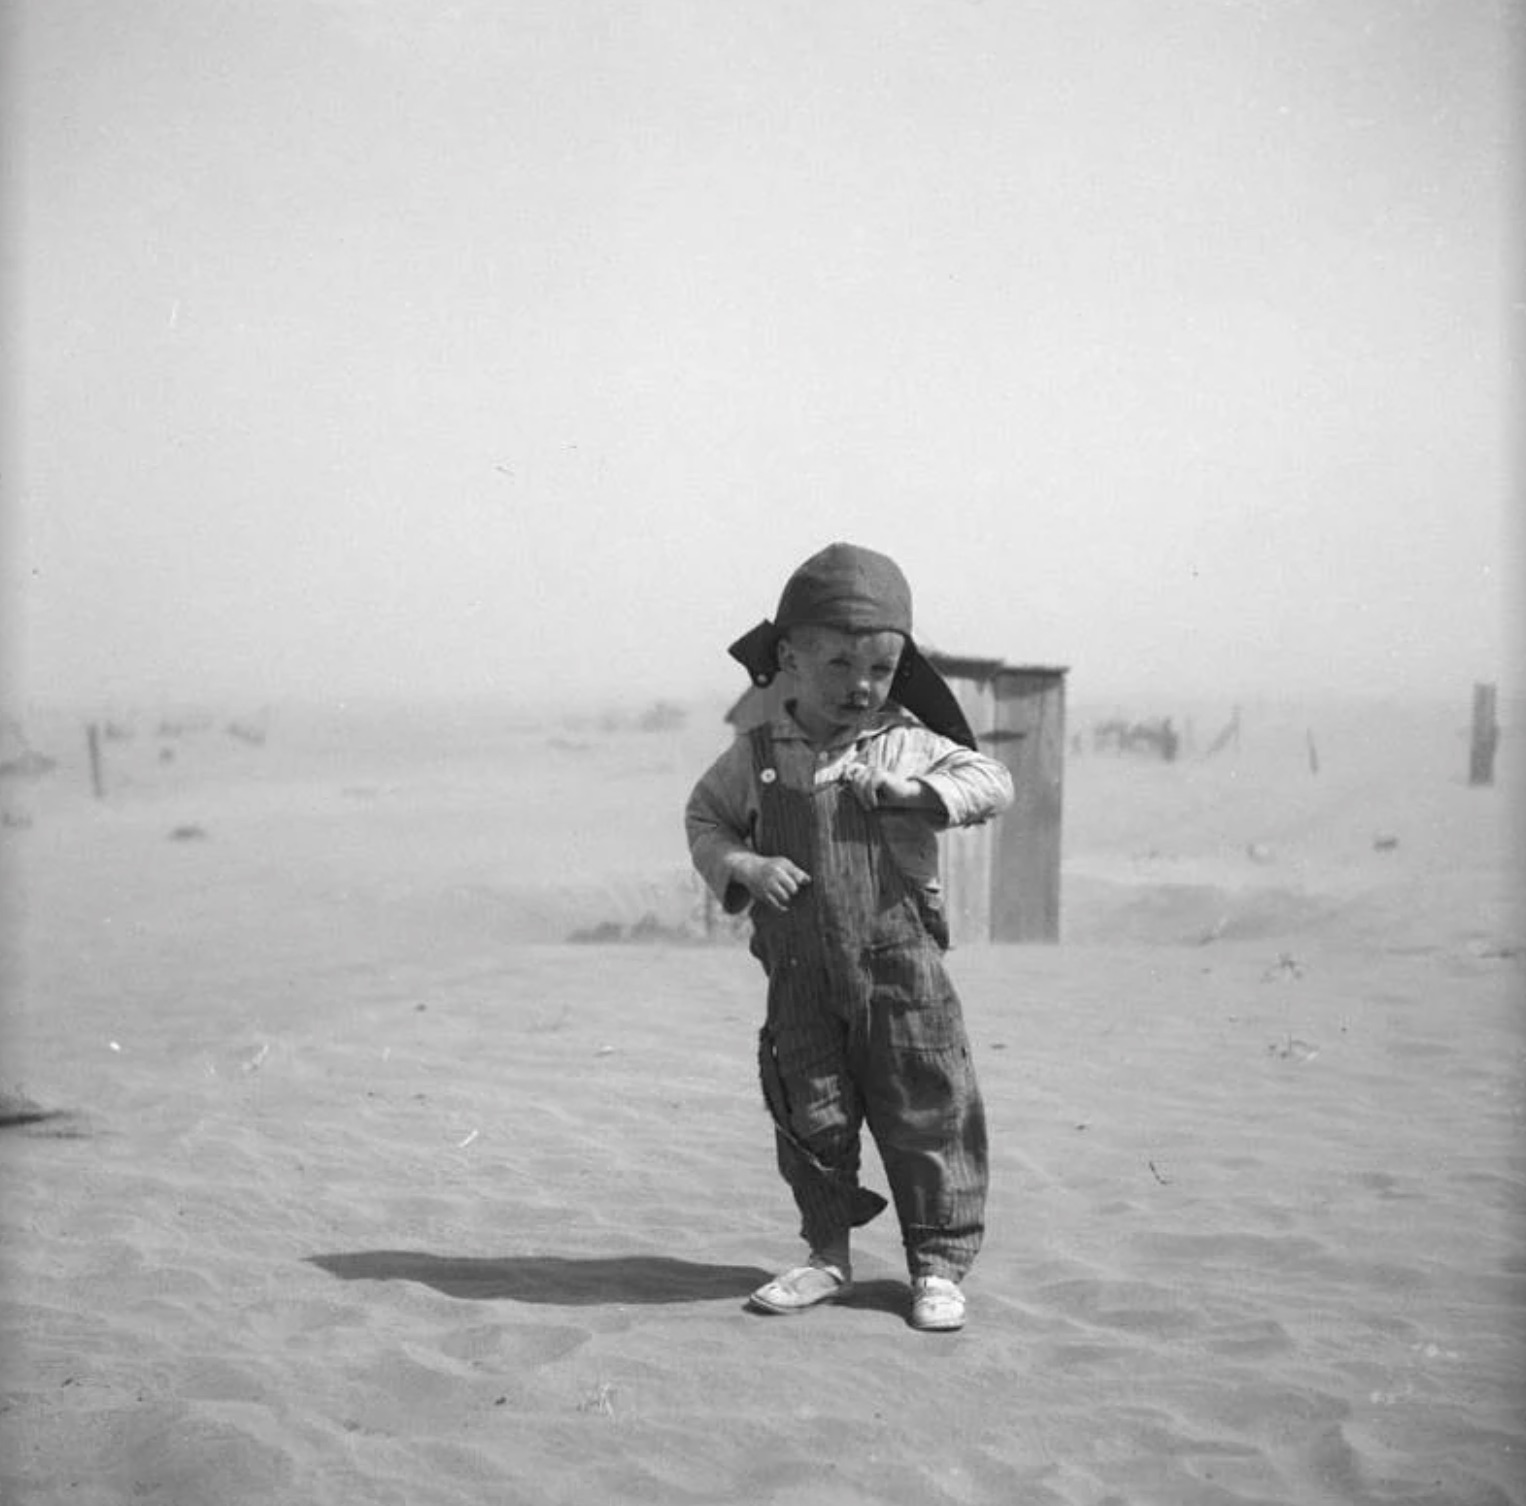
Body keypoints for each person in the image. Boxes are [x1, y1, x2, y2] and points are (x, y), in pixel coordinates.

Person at [685, 542, 1013, 1331]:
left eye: (880, 670)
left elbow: (992, 782)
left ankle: (936, 1268)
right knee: (814, 1120)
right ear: (788, 658)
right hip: (800, 978)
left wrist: (916, 792)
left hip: (902, 980)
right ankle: (828, 1258)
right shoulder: (755, 758)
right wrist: (746, 865)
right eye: (837, 666)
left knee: (928, 1114)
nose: (860, 688)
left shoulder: (905, 743)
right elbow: (706, 820)